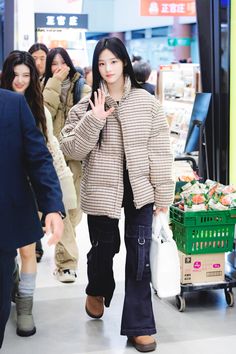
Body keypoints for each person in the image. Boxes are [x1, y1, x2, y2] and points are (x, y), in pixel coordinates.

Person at [59, 37, 174, 353]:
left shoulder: (146, 101)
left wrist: (163, 193)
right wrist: (94, 119)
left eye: (113, 61)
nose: (107, 69)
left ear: (124, 62)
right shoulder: (87, 105)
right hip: (100, 189)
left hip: (140, 190)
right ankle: (97, 288)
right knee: (104, 248)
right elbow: (70, 148)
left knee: (138, 257)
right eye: (101, 63)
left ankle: (139, 327)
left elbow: (160, 150)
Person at [0, 50, 76, 337]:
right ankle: (13, 289)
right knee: (13, 258)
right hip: (15, 190)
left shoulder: (30, 106)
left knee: (27, 250)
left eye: (26, 75)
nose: (20, 81)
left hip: (24, 192)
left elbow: (47, 154)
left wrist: (55, 202)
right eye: (15, 75)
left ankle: (25, 307)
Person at [43, 47, 91, 283]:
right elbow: (44, 113)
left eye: (62, 62)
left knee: (74, 213)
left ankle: (64, 256)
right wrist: (53, 83)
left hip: (76, 158)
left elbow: (88, 119)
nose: (58, 67)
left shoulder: (82, 87)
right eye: (54, 63)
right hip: (53, 159)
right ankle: (67, 264)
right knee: (62, 208)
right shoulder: (44, 86)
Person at [28, 43, 50, 261]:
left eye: (42, 57)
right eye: (35, 57)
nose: (38, 61)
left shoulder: (48, 85)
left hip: (43, 153)